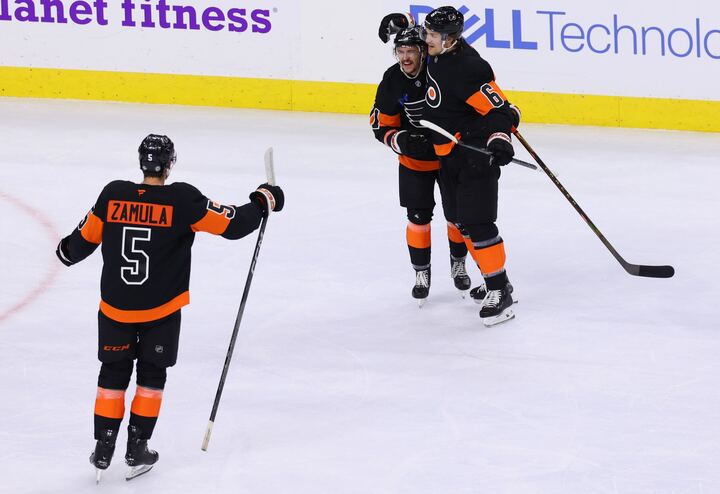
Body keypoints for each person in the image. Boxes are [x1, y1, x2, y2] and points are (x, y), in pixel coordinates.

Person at [55, 134, 284, 480]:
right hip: (160, 312)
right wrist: (265, 199)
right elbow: (234, 224)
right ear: (170, 164)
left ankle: (103, 448)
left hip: (115, 308)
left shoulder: (112, 194)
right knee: (151, 376)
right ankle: (137, 448)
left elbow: (78, 245)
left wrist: (65, 251)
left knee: (112, 374)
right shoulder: (182, 200)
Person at [419, 6, 520, 326]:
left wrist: (501, 137)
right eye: (427, 33)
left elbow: (501, 110)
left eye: (432, 35)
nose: (426, 40)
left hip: (475, 158)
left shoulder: (469, 68)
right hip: (448, 156)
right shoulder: (436, 55)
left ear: (449, 40)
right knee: (460, 222)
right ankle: (498, 280)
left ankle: (499, 290)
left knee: (478, 225)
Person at [370, 26, 471, 306]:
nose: (405, 57)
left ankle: (458, 263)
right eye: (400, 51)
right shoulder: (392, 79)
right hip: (414, 161)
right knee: (418, 219)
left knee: (457, 217)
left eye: (411, 51)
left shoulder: (440, 72)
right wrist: (400, 140)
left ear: (423, 51)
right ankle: (421, 273)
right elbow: (380, 125)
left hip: (447, 158)